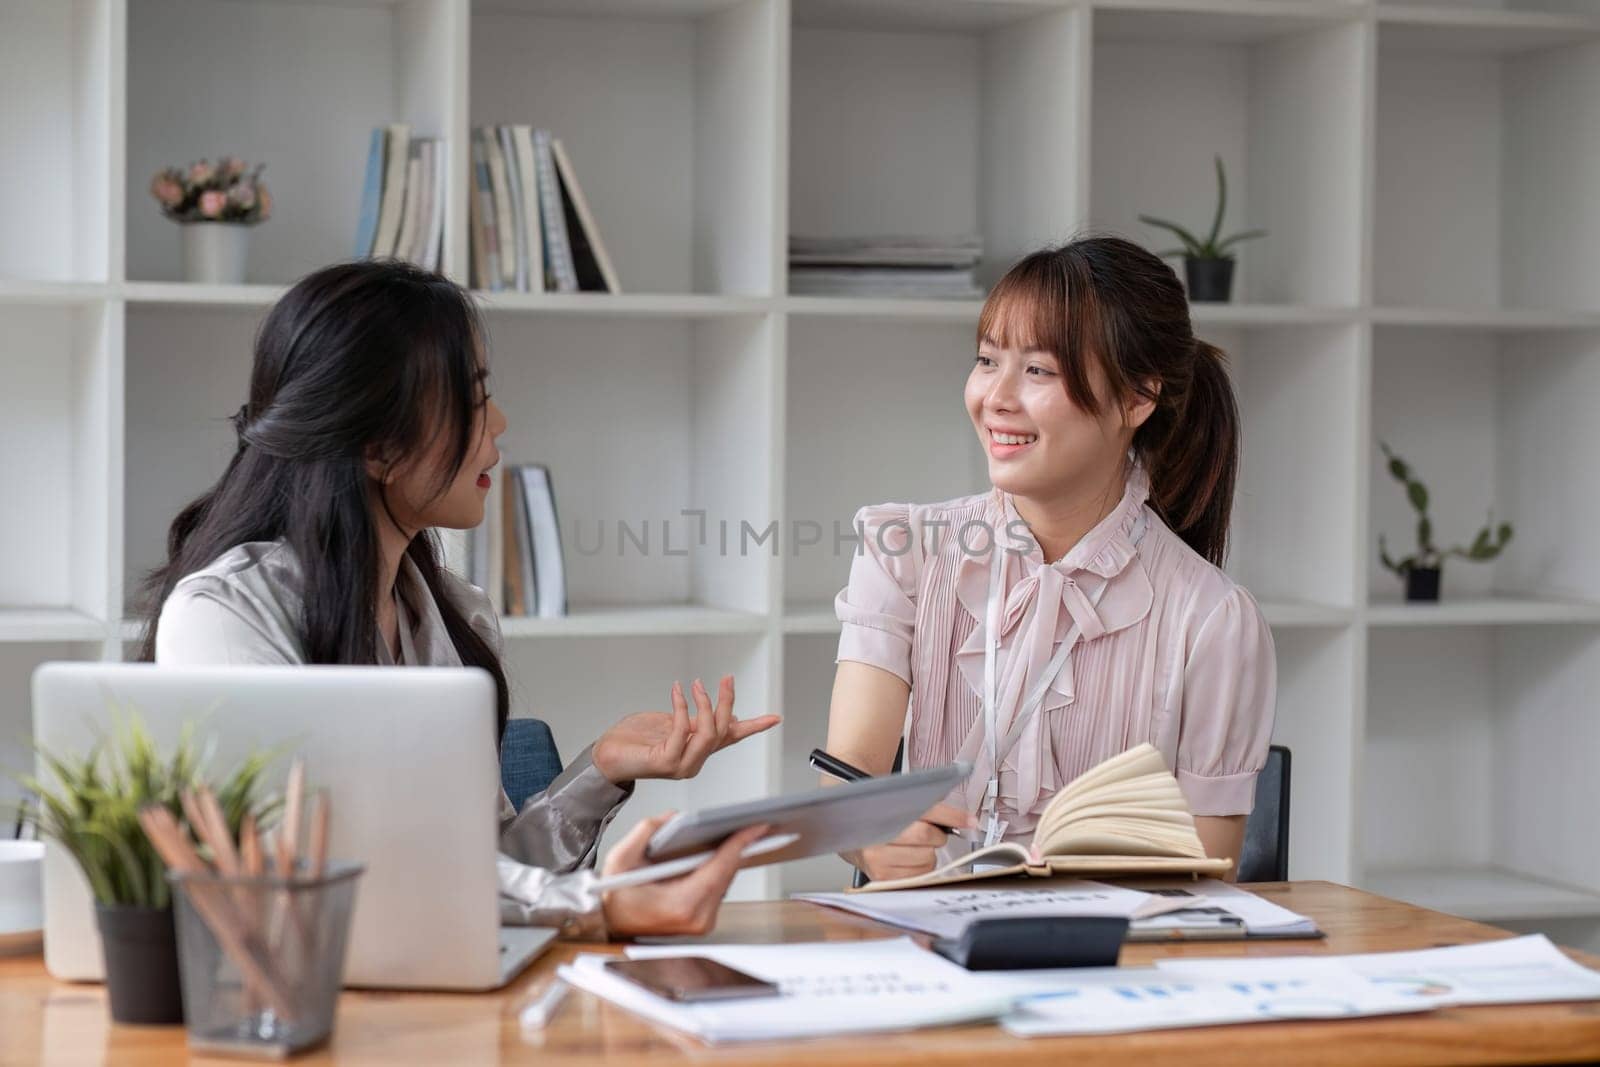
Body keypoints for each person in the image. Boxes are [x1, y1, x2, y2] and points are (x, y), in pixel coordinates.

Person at [139, 259, 779, 938]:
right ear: (379, 445)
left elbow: (482, 873)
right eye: (472, 399)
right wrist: (597, 905)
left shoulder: (450, 612)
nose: (499, 421)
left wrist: (602, 768)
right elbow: (327, 870)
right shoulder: (222, 618)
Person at [824, 238, 1276, 883]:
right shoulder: (906, 553)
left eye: (1038, 371)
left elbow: (1207, 870)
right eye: (986, 361)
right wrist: (864, 835)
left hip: (1113, 958)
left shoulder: (1213, 618)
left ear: (1137, 398)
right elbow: (849, 769)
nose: (997, 398)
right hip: (927, 943)